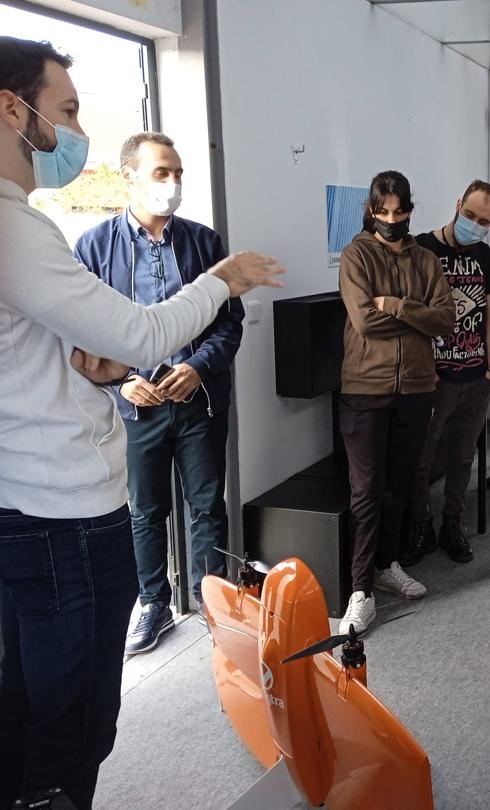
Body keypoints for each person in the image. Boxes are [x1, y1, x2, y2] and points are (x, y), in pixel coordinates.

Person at [0, 37, 284, 809]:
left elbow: (39, 354)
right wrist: (222, 283)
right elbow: (136, 332)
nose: (71, 131)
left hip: (60, 476)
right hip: (61, 510)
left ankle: (209, 605)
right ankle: (156, 612)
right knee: (70, 721)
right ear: (10, 108)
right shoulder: (28, 230)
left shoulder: (181, 234)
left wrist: (95, 370)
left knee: (27, 704)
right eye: (64, 111)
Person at [75, 132, 242, 655]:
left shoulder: (204, 243)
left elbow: (228, 323)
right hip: (135, 405)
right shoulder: (94, 247)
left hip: (197, 400)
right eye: (160, 173)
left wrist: (196, 366)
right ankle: (154, 604)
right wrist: (124, 380)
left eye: (177, 173)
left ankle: (213, 602)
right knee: (144, 511)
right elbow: (83, 332)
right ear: (129, 177)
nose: (172, 183)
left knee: (206, 505)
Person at [337, 170, 455, 633]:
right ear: (371, 210)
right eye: (383, 211)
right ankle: (360, 590)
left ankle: (387, 566)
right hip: (365, 387)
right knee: (365, 491)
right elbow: (364, 322)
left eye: (400, 211)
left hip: (417, 388)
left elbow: (445, 318)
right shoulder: (356, 254)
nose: (392, 219)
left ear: (410, 210)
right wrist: (415, 316)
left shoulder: (426, 258)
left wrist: (399, 306)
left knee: (399, 486)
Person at [405, 180, 490, 565]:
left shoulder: (485, 256)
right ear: (458, 204)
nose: (474, 224)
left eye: (484, 221)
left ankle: (452, 523)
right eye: (470, 214)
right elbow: (411, 313)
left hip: (476, 376)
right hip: (435, 378)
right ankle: (421, 525)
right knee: (422, 458)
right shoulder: (421, 249)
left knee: (463, 457)